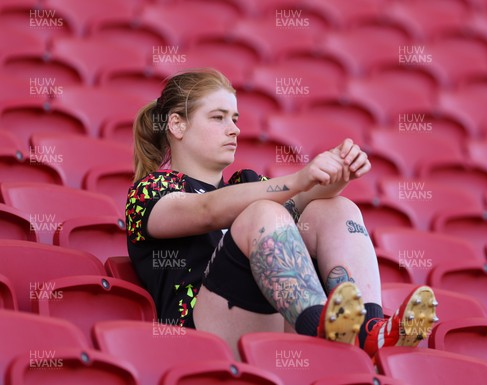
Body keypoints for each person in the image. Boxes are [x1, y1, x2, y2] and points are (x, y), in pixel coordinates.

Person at [126, 68, 438, 358]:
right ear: (177, 124)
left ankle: (368, 330)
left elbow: (301, 201)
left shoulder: (245, 183)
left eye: (235, 118)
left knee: (335, 208)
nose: (234, 129)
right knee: (263, 212)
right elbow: (207, 210)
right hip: (199, 340)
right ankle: (321, 327)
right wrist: (298, 179)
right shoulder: (150, 190)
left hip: (269, 324)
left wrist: (336, 177)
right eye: (218, 117)